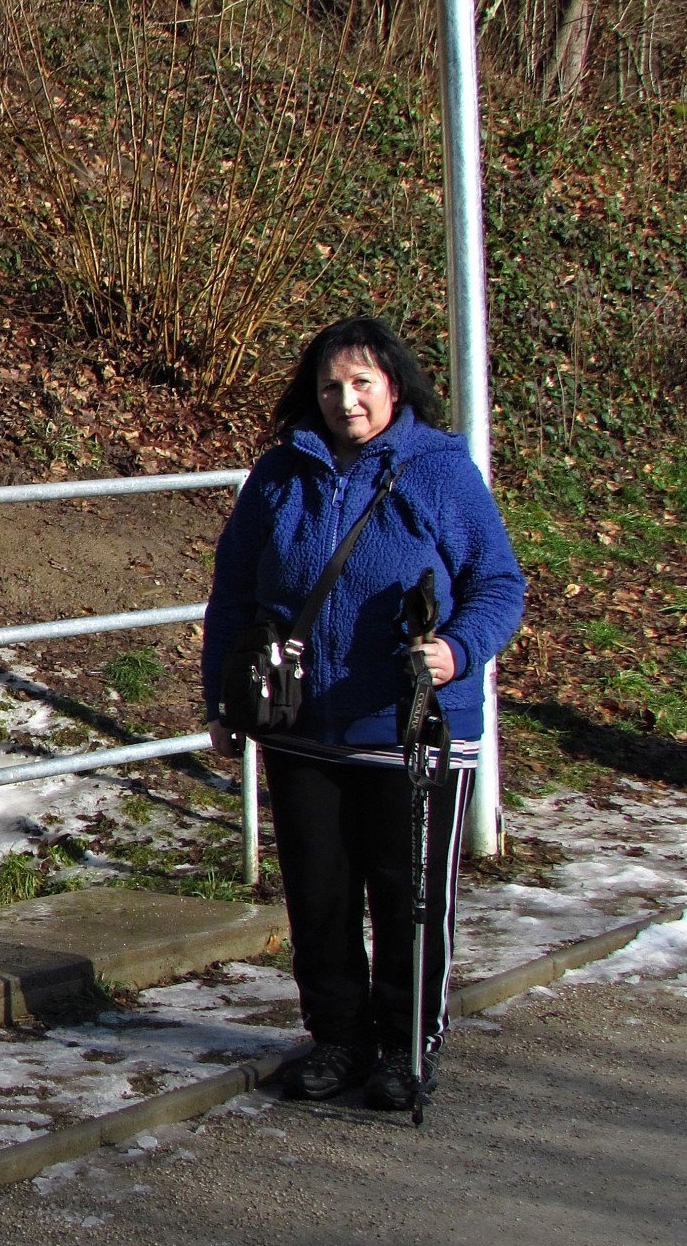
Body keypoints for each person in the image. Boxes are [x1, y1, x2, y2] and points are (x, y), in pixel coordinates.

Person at [202, 317, 525, 1111]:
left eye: (360, 384)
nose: (343, 400)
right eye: (328, 385)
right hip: (302, 725)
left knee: (407, 898)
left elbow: (498, 584)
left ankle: (406, 1048)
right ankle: (338, 1039)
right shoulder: (281, 474)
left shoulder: (440, 475)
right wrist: (221, 697)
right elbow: (234, 594)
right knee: (318, 895)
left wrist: (455, 649)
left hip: (412, 730)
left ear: (392, 386)